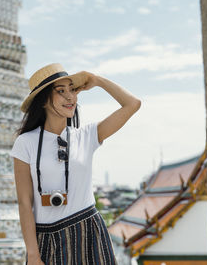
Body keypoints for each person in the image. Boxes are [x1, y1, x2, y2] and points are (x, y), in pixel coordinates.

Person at [10, 63, 141, 265]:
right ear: (43, 100)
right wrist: (33, 254)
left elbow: (133, 104)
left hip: (89, 234)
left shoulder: (87, 135)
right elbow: (25, 202)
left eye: (72, 90)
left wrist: (97, 80)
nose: (70, 97)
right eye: (61, 91)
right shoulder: (25, 143)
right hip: (47, 239)